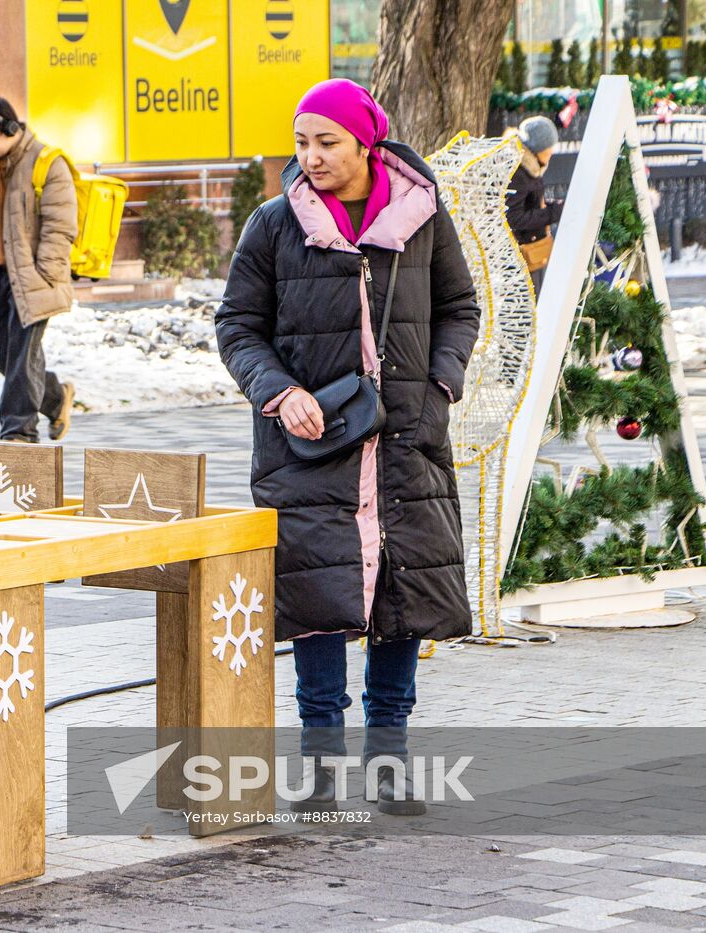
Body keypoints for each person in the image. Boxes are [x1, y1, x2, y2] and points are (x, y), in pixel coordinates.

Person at [215, 79, 480, 814]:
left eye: (325, 142)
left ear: (366, 142)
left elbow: (460, 307)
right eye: (301, 142)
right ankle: (322, 766)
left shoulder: (422, 219)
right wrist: (280, 391)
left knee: (401, 596)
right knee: (320, 599)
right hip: (311, 445)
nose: (311, 156)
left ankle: (389, 762)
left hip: (404, 442)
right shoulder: (273, 225)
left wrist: (440, 388)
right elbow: (237, 326)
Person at [0, 95, 78, 443]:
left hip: (35, 278)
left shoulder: (47, 163)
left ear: (10, 129)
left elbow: (62, 224)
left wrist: (46, 273)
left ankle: (18, 434)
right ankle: (55, 397)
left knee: (22, 357)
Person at [505, 115, 565, 292]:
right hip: (520, 258)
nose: (552, 152)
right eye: (549, 148)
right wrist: (553, 213)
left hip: (531, 254)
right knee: (528, 307)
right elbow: (514, 218)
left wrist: (553, 206)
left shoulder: (531, 167)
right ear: (537, 148)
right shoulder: (519, 172)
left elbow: (530, 203)